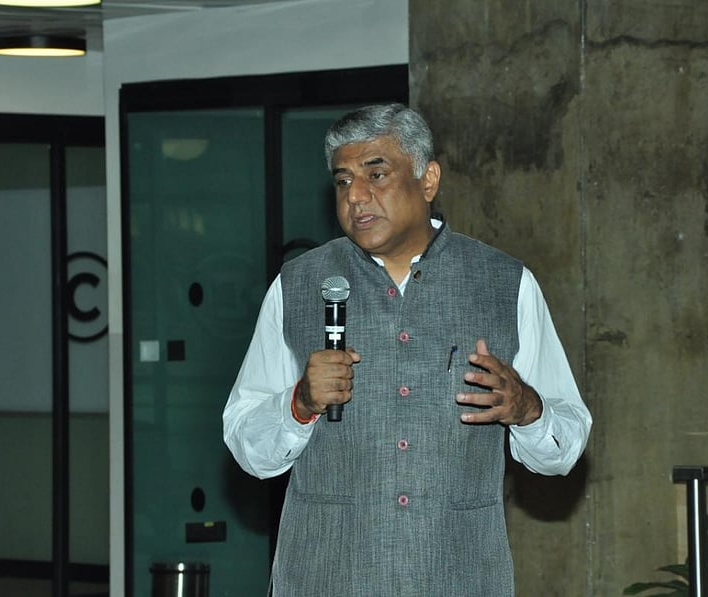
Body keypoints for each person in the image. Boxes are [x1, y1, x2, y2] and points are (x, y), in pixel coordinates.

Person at [223, 103, 591, 596]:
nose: (355, 196)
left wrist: (528, 409)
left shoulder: (505, 283)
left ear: (428, 179)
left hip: (458, 577)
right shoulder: (299, 286)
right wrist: (299, 404)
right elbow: (247, 444)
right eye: (342, 181)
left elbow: (566, 445)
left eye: (376, 174)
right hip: (326, 577)